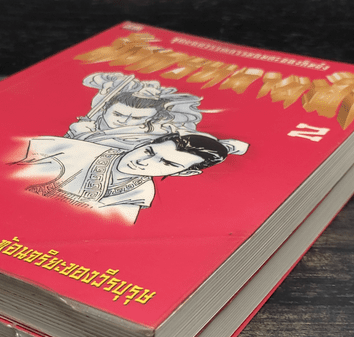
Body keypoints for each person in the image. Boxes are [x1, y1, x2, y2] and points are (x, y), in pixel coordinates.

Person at [17, 132, 247, 224]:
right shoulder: (66, 148)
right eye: (149, 151)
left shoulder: (140, 194)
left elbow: (103, 230)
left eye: (167, 163)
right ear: (145, 143)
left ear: (185, 173)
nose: (143, 162)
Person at [66, 73, 203, 150]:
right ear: (105, 109)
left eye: (136, 118)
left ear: (154, 119)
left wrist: (82, 135)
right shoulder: (89, 122)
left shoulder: (155, 135)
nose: (123, 121)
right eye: (118, 114)